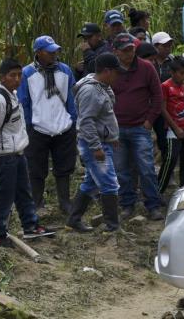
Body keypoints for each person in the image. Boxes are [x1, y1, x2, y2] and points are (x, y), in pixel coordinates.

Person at [0, 59, 52, 246]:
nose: (17, 79)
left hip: (17, 153)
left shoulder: (11, 94)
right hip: (4, 156)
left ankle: (31, 225)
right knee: (3, 195)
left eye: (19, 75)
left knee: (23, 192)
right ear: (2, 76)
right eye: (12, 75)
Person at [19, 35, 78, 216]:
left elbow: (71, 97)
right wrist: (29, 125)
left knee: (64, 168)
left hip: (64, 127)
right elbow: (24, 101)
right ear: (38, 52)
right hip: (38, 129)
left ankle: (65, 202)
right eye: (49, 51)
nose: (54, 54)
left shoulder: (65, 70)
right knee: (36, 169)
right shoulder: (27, 73)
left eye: (55, 51)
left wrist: (72, 119)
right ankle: (37, 203)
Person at [110, 33, 164, 221]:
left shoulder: (146, 68)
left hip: (140, 127)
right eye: (125, 50)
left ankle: (153, 205)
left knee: (147, 168)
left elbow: (158, 97)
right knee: (122, 169)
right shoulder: (111, 70)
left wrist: (149, 120)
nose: (129, 53)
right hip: (117, 129)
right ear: (115, 51)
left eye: (131, 49)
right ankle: (127, 204)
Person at [67, 53, 122, 233]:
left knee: (91, 183)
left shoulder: (102, 86)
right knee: (109, 183)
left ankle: (74, 219)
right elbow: (86, 121)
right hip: (93, 144)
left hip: (101, 141)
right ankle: (112, 226)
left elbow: (104, 115)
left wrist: (111, 137)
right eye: (116, 72)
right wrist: (96, 147)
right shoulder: (91, 91)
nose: (118, 76)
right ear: (107, 71)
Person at [157, 56, 184, 192]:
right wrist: (175, 128)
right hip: (174, 128)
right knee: (171, 159)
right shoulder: (165, 86)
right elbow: (162, 108)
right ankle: (159, 190)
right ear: (172, 72)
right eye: (181, 73)